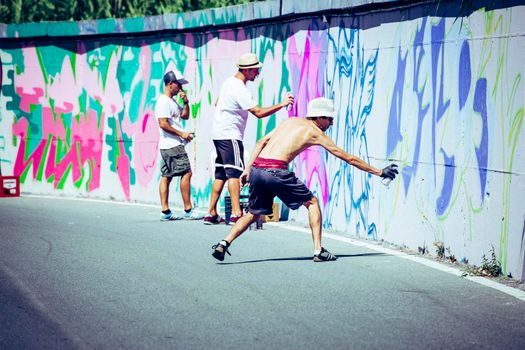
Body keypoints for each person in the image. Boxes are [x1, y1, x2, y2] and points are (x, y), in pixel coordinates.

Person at [211, 97, 398, 262]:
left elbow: (261, 142)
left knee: (253, 213)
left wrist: (248, 169)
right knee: (313, 202)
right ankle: (318, 250)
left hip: (258, 169)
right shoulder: (315, 132)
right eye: (329, 119)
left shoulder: (290, 121)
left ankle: (224, 243)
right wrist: (379, 172)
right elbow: (347, 157)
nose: (331, 123)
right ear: (318, 117)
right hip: (276, 170)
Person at [204, 53, 294, 225]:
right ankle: (237, 213)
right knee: (234, 173)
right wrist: (282, 104)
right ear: (247, 70)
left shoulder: (228, 82)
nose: (257, 73)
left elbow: (217, 103)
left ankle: (211, 213)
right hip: (230, 135)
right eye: (255, 70)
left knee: (221, 174)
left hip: (218, 133)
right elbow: (258, 113)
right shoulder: (239, 88)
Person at [155, 69, 204, 221]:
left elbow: (184, 116)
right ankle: (188, 209)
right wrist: (182, 134)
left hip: (169, 144)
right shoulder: (163, 101)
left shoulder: (171, 101)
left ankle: (165, 212)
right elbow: (163, 123)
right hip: (172, 145)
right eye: (179, 84)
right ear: (170, 84)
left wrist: (186, 102)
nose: (181, 88)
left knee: (166, 176)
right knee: (186, 173)